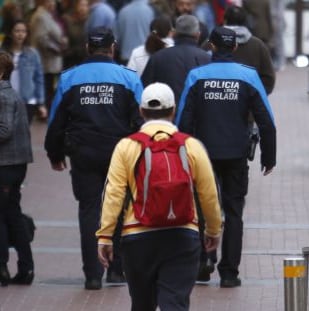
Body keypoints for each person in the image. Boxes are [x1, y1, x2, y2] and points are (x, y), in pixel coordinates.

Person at [97, 82, 222, 310]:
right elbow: (209, 193)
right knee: (174, 303)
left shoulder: (126, 146)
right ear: (173, 110)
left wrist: (105, 236)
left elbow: (113, 193)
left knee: (142, 304)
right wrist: (213, 230)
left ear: (141, 111)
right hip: (183, 234)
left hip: (137, 236)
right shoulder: (192, 145)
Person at [44, 26, 145, 290]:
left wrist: (54, 153)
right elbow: (141, 121)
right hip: (119, 154)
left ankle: (91, 275)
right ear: (113, 48)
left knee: (89, 211)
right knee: (121, 208)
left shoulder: (69, 78)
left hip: (83, 154)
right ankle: (116, 269)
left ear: (88, 48)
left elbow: (56, 121)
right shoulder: (129, 78)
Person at [175, 26, 276, 287]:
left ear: (211, 46)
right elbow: (266, 121)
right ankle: (229, 273)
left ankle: (203, 260)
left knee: (201, 209)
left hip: (202, 154)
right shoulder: (249, 76)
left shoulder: (196, 76)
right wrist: (269, 157)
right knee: (234, 212)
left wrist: (179, 155)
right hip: (236, 154)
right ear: (234, 48)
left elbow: (183, 119)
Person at [0, 51, 34, 286]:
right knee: (11, 213)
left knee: (4, 215)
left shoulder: (2, 96)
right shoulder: (12, 94)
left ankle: (4, 267)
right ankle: (25, 266)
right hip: (15, 164)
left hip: (5, 164)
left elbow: (4, 130)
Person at [141, 14, 210, 104]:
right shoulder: (207, 59)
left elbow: (144, 90)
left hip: (164, 113)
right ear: (198, 35)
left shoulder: (158, 57)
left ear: (174, 34)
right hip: (197, 115)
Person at [223, 5, 275, 94]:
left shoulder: (211, 43)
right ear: (245, 21)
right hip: (249, 101)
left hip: (218, 101)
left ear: (224, 20)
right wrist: (257, 96)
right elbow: (268, 78)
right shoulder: (258, 45)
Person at [1, 19, 46, 123]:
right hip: (5, 100)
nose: (20, 34)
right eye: (17, 31)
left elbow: (38, 79)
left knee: (23, 135)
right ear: (11, 33)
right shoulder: (2, 54)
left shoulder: (32, 54)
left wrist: (41, 103)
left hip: (27, 101)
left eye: (23, 31)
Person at [29, 0, 68, 114]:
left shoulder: (47, 15)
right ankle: (44, 111)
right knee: (46, 87)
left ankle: (46, 110)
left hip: (49, 59)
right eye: (49, 2)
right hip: (45, 59)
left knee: (48, 86)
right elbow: (41, 39)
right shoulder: (41, 16)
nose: (53, 4)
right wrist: (57, 49)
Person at [115, 0, 155, 65]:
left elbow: (117, 38)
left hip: (126, 57)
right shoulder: (150, 11)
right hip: (144, 57)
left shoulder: (123, 11)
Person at [61, 0, 89, 69]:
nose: (83, 8)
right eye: (81, 5)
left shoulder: (88, 21)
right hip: (70, 60)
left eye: (86, 5)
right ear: (75, 6)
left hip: (84, 60)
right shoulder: (66, 19)